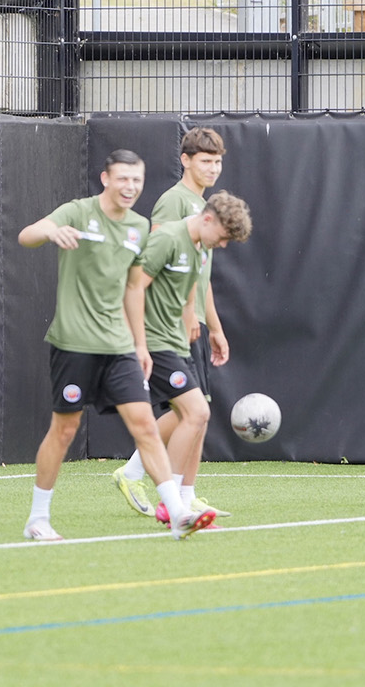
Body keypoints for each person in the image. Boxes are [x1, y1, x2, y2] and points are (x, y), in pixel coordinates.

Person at [18, 149, 218, 542]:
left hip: (120, 346)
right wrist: (49, 232)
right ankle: (37, 518)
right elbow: (26, 235)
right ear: (106, 178)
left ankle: (176, 512)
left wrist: (140, 346)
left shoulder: (140, 228)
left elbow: (133, 287)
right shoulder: (77, 211)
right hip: (74, 343)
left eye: (137, 180)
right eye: (123, 178)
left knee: (144, 423)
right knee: (64, 430)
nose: (130, 187)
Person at [112, 128, 234, 518]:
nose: (212, 168)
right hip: (170, 326)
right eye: (205, 160)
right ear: (185, 160)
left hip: (195, 322)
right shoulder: (173, 203)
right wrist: (179, 316)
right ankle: (139, 475)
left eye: (217, 161)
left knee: (197, 413)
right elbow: (153, 264)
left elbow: (201, 276)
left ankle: (185, 493)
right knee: (190, 412)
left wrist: (213, 325)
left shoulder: (205, 204)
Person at [133, 193, 252, 528]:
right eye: (225, 237)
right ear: (208, 219)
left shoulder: (199, 246)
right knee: (196, 412)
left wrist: (191, 316)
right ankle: (170, 504)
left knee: (199, 416)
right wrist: (138, 343)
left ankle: (183, 503)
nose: (224, 246)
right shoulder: (167, 237)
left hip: (175, 341)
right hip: (154, 341)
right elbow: (133, 287)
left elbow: (190, 286)